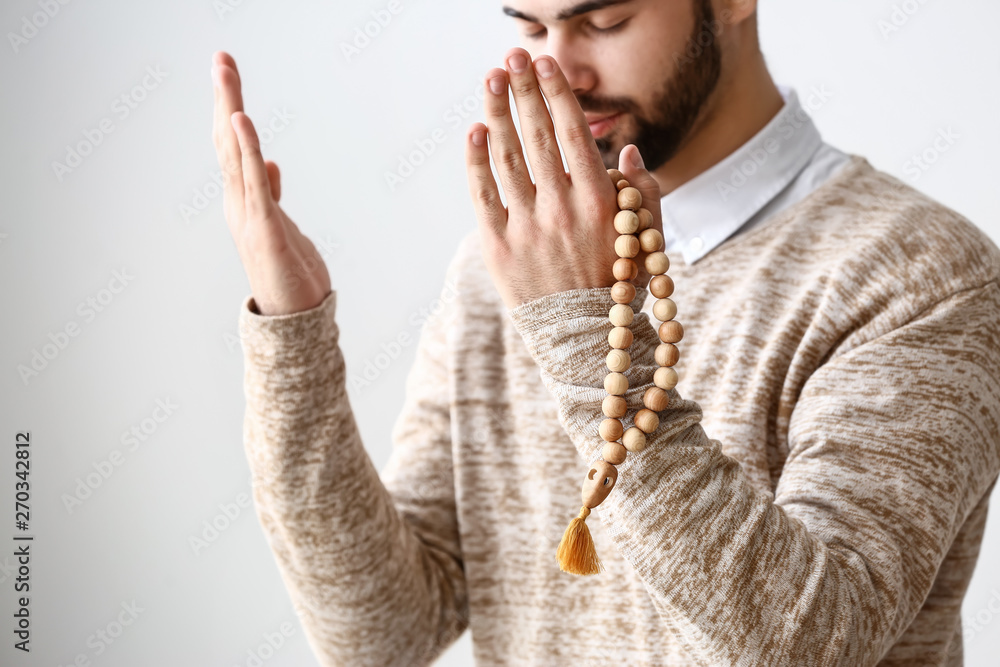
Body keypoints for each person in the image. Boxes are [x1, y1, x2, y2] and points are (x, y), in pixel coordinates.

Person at [211, 0, 1000, 664]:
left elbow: (808, 640)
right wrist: (294, 338)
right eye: (532, 27)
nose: (561, 72)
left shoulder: (921, 275)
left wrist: (583, 327)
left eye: (605, 20)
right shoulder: (505, 268)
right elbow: (383, 631)